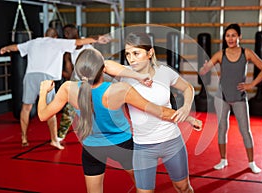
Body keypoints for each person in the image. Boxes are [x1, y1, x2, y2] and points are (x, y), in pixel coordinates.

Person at [37, 48, 202, 193]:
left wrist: (44, 90)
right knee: (143, 187)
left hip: (92, 148)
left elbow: (43, 115)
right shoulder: (119, 90)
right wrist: (186, 117)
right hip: (122, 144)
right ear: (102, 68)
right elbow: (158, 111)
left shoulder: (68, 89)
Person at [107, 32, 196, 193]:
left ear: (150, 53)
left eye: (136, 53)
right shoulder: (125, 75)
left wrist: (186, 107)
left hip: (171, 141)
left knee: (183, 187)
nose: (131, 59)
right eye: (127, 54)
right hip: (143, 146)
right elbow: (103, 65)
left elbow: (188, 88)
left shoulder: (164, 72)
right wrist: (136, 76)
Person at [0, 28, 106, 149]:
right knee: (51, 109)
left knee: (26, 108)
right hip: (47, 77)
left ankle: (24, 138)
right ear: (55, 36)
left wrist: (5, 48)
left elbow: (16, 47)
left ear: (44, 35)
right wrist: (96, 38)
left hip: (30, 76)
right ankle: (54, 140)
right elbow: (78, 42)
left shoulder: (34, 42)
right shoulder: (57, 42)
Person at [199, 23, 262, 174]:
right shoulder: (220, 54)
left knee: (245, 131)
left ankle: (251, 163)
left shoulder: (247, 53)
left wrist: (251, 84)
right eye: (227, 36)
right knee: (222, 129)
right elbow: (203, 70)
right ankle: (223, 160)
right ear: (224, 38)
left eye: (233, 35)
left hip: (239, 98)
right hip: (222, 97)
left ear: (239, 37)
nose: (230, 39)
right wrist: (204, 68)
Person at [57, 24, 107, 141]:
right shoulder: (70, 50)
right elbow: (70, 71)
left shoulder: (88, 47)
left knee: (95, 107)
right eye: (65, 33)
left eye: (68, 33)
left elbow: (99, 63)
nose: (66, 35)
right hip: (78, 80)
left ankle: (101, 131)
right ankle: (61, 134)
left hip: (92, 79)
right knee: (70, 108)